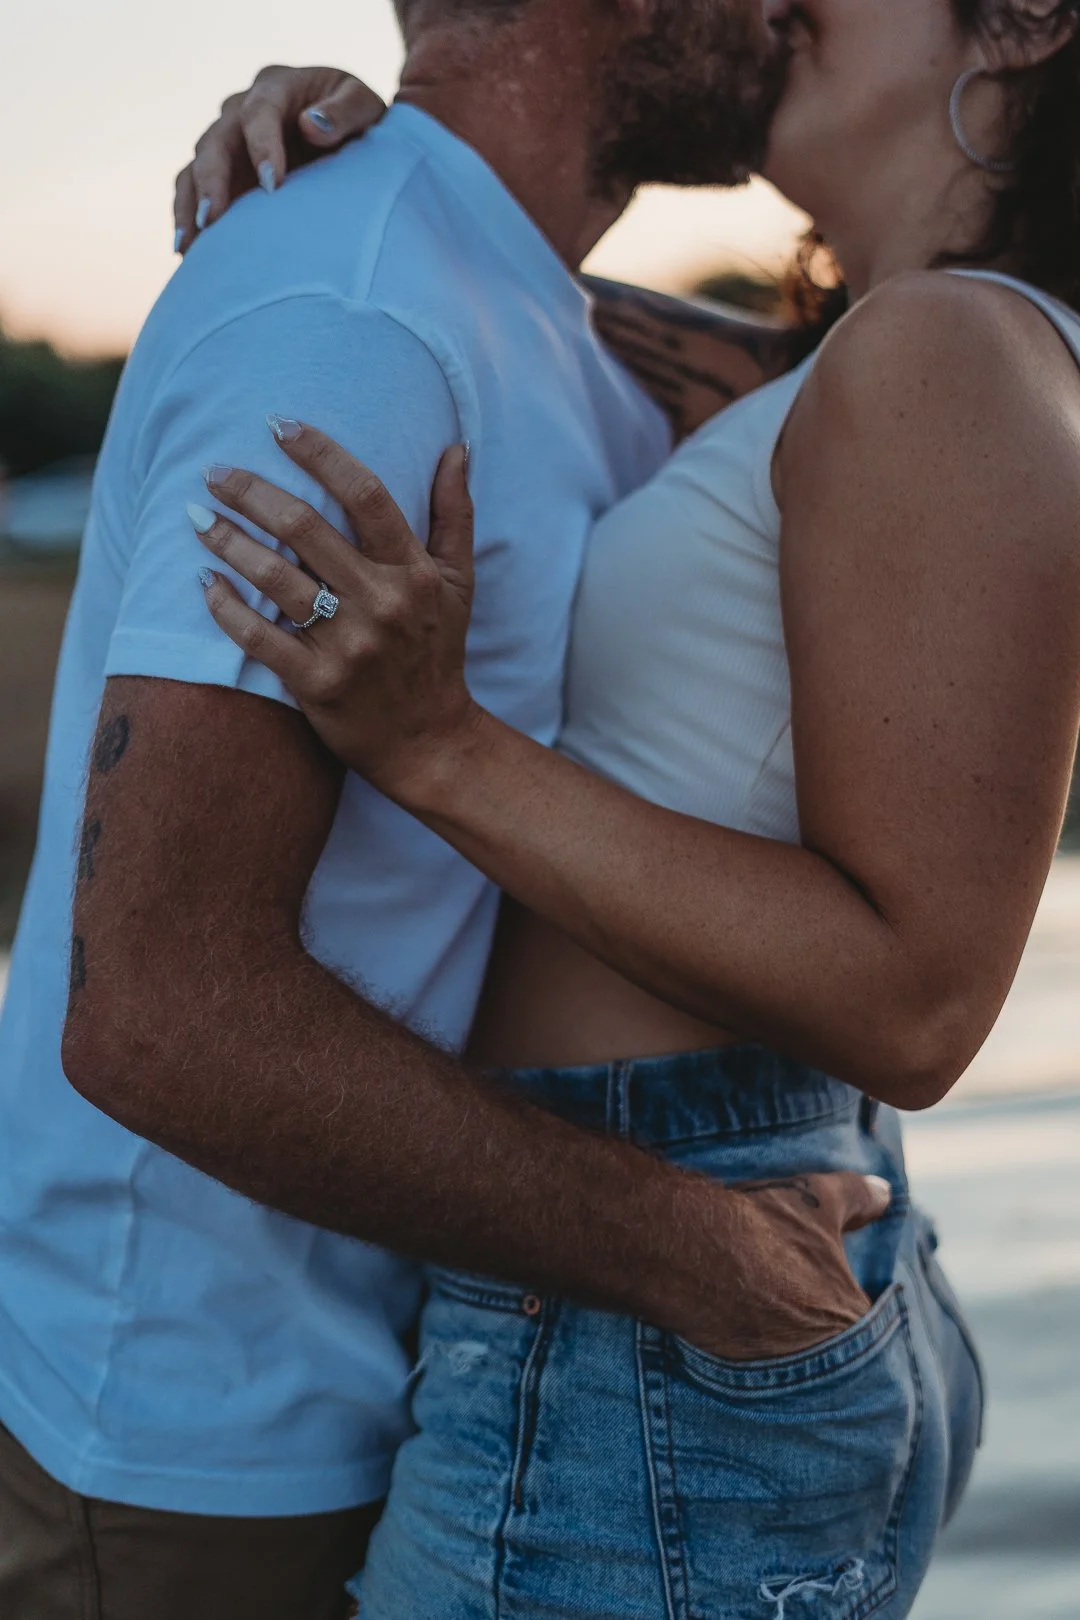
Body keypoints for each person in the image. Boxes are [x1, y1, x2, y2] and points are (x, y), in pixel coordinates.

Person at [165, 0, 1080, 1613]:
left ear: (1023, 23)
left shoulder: (948, 355)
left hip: (657, 1293)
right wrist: (382, 159)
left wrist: (442, 750)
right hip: (688, 1249)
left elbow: (924, 1000)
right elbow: (498, 289)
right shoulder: (901, 353)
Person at [0, 3, 896, 1619]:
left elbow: (929, 371)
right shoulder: (349, 317)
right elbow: (157, 1013)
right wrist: (702, 1258)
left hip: (430, 1387)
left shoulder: (528, 318)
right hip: (193, 1451)